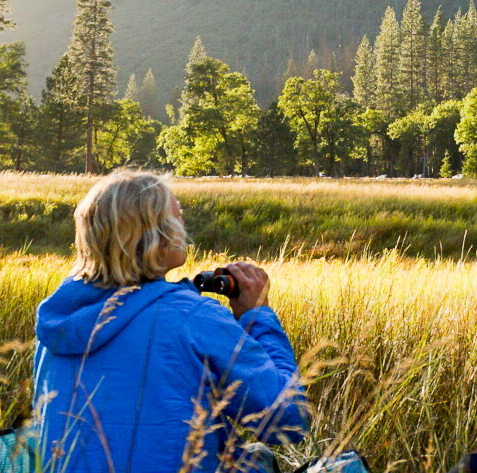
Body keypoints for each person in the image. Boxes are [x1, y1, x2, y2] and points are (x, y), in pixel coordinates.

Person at [33, 169, 307, 473]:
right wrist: (257, 315)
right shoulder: (193, 318)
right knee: (263, 458)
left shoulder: (56, 325)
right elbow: (288, 421)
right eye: (177, 216)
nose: (184, 226)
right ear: (156, 237)